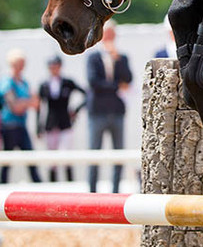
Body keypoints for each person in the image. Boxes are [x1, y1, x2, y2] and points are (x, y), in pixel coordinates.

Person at [86, 20, 132, 193]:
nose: (110, 38)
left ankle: (115, 190)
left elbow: (128, 79)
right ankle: (92, 190)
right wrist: (115, 86)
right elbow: (94, 83)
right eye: (107, 34)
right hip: (97, 112)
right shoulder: (93, 57)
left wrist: (117, 60)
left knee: (118, 154)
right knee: (94, 154)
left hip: (117, 111)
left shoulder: (121, 57)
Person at [37, 55, 86, 182]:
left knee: (66, 157)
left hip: (65, 122)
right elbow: (39, 106)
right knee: (52, 159)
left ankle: (70, 185)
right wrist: (39, 126)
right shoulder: (44, 85)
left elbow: (86, 94)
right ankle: (52, 187)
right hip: (51, 123)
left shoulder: (67, 83)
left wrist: (76, 110)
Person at [0, 48, 41, 184]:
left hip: (21, 125)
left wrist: (24, 103)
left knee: (30, 158)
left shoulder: (23, 82)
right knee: (7, 161)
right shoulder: (6, 82)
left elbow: (36, 103)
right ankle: (2, 186)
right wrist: (28, 103)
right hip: (9, 126)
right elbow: (15, 107)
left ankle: (38, 185)